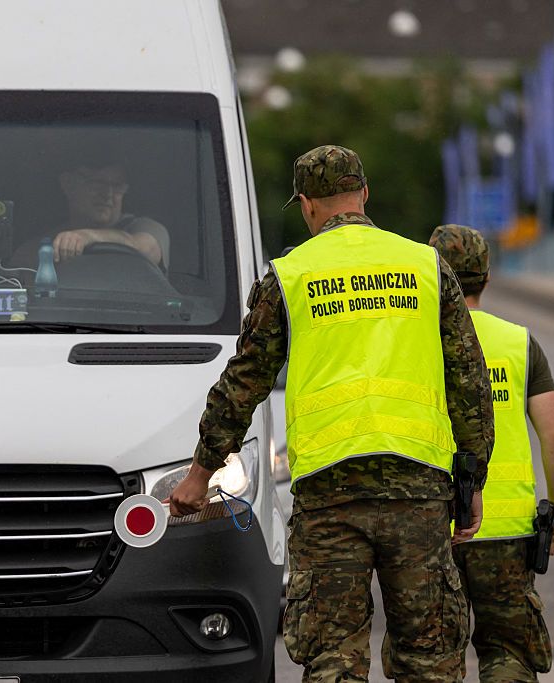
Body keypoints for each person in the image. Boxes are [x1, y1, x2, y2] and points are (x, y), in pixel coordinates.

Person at [168, 145, 496, 681]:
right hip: (417, 488)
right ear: (364, 194)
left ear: (306, 205)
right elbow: (469, 382)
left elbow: (242, 384)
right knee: (430, 655)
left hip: (329, 493)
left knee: (333, 655)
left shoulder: (291, 276)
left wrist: (200, 474)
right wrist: (472, 480)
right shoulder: (425, 266)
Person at [429, 224, 554, 682]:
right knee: (508, 653)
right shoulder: (518, 343)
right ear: (487, 278)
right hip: (507, 531)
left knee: (431, 656)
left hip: (433, 526)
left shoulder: (416, 342)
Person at [51, 159, 170, 270]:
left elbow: (146, 249)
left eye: (117, 186)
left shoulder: (147, 227)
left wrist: (86, 237)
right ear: (67, 183)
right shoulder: (52, 239)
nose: (108, 194)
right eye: (97, 183)